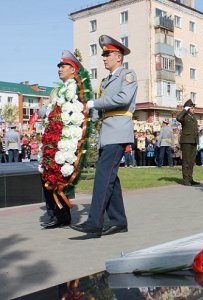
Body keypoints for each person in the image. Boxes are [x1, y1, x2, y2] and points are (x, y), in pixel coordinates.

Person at [70, 35, 137, 237]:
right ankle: (118, 221)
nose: (104, 58)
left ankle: (94, 222)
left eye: (107, 54)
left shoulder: (128, 75)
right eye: (104, 54)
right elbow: (100, 109)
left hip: (118, 131)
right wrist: (82, 112)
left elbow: (123, 99)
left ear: (118, 56)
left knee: (102, 176)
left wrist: (94, 104)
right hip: (107, 132)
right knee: (111, 178)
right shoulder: (106, 81)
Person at [39, 50, 83, 229]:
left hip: (67, 141)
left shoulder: (78, 90)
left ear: (73, 69)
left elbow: (82, 114)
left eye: (63, 66)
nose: (59, 69)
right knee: (47, 176)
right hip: (52, 139)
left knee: (61, 175)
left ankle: (62, 215)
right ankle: (55, 214)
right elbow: (47, 112)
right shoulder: (56, 91)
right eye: (59, 66)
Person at [177, 99, 200, 185]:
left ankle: (190, 178)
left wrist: (197, 141)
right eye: (192, 108)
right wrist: (185, 109)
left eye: (194, 108)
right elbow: (178, 118)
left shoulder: (193, 117)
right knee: (186, 161)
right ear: (188, 109)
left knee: (191, 161)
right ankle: (186, 179)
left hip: (193, 141)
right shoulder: (184, 117)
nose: (194, 109)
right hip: (186, 141)